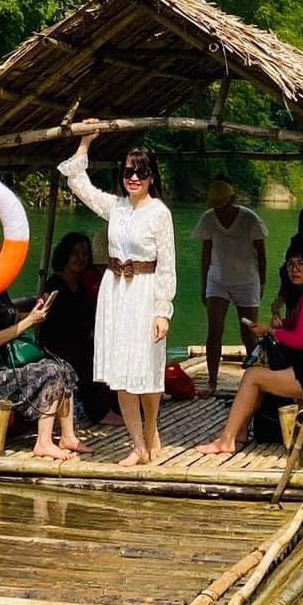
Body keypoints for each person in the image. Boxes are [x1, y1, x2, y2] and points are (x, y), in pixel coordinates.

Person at [59, 136, 176, 466]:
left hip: (145, 291)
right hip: (116, 292)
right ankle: (138, 445)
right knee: (122, 371)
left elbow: (167, 264)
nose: (133, 178)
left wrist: (162, 310)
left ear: (151, 175)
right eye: (128, 173)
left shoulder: (159, 213)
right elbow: (79, 184)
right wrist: (85, 145)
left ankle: (152, 431)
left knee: (148, 368)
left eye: (140, 172)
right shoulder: (116, 207)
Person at [192, 239, 303, 456]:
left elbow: (300, 340)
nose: (295, 269)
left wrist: (271, 332)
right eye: (291, 264)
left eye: (302, 264)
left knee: (253, 376)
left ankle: (227, 440)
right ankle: (238, 434)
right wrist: (282, 326)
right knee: (258, 376)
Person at [0, 237, 81, 460]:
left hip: (8, 363)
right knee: (50, 373)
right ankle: (43, 442)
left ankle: (68, 436)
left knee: (62, 367)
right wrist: (30, 322)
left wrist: (36, 311)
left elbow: (11, 318)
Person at [193, 179, 267, 396]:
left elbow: (261, 254)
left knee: (249, 332)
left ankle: (256, 380)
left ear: (232, 200)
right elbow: (206, 253)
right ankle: (212, 382)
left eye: (223, 205)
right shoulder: (208, 219)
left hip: (246, 281)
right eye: (216, 206)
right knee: (214, 330)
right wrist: (204, 284)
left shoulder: (249, 219)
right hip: (218, 280)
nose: (220, 210)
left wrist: (261, 283)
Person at [39, 231, 114, 424]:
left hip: (79, 342)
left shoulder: (80, 286)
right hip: (59, 345)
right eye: (75, 253)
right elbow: (54, 320)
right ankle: (100, 413)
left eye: (84, 254)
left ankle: (113, 407)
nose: (80, 259)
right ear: (65, 255)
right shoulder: (55, 284)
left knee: (104, 352)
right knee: (87, 358)